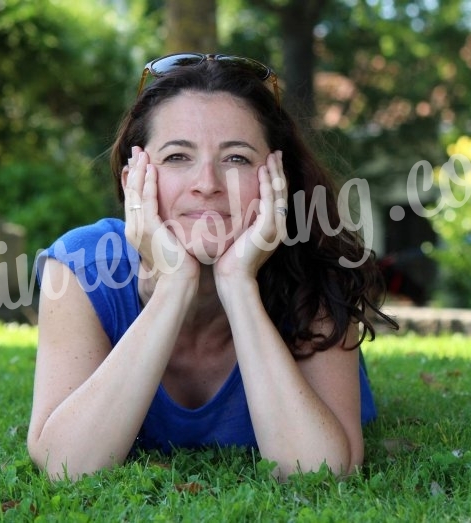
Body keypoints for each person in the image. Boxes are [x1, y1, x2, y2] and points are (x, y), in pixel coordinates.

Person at [27, 53, 395, 482]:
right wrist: (174, 285)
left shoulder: (316, 266)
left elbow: (321, 472)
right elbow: (65, 466)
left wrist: (238, 283)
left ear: (278, 180)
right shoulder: (82, 267)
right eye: (178, 157)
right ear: (134, 181)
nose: (207, 183)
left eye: (236, 158)